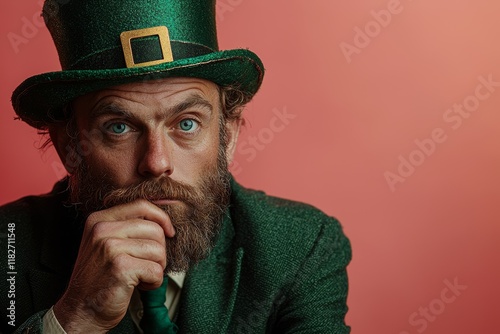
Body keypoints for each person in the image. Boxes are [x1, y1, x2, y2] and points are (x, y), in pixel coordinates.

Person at [0, 0, 352, 333]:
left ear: (227, 136)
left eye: (187, 124)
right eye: (119, 127)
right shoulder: (8, 247)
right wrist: (76, 319)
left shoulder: (303, 246)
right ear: (70, 145)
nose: (157, 162)